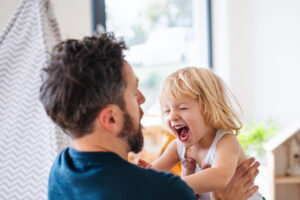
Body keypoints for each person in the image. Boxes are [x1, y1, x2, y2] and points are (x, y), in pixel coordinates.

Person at [40, 33, 259, 200]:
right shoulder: (165, 191)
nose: (143, 99)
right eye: (134, 92)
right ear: (111, 119)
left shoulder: (60, 170)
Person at [138, 67, 263, 199]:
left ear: (209, 109)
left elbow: (219, 178)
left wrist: (174, 185)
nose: (172, 117)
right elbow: (154, 177)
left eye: (182, 108)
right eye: (167, 111)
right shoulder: (177, 147)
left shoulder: (225, 141)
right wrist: (147, 175)